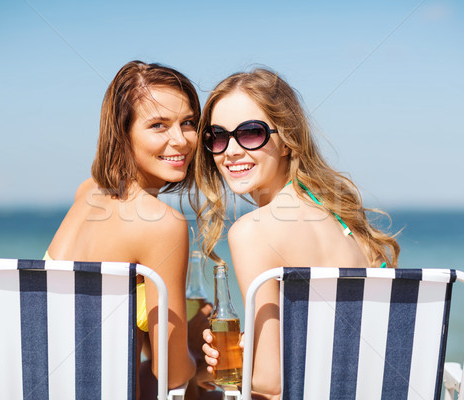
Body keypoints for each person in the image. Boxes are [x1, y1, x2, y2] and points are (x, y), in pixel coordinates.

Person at [193, 68, 400, 399]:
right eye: (217, 137)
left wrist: (210, 372)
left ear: (287, 139)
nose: (230, 151)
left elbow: (270, 382)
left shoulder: (252, 231)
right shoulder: (343, 219)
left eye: (250, 133)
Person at [45, 60, 209, 399]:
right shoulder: (162, 223)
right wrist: (197, 351)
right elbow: (170, 375)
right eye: (159, 125)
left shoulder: (87, 190)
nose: (180, 140)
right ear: (124, 132)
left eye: (188, 123)